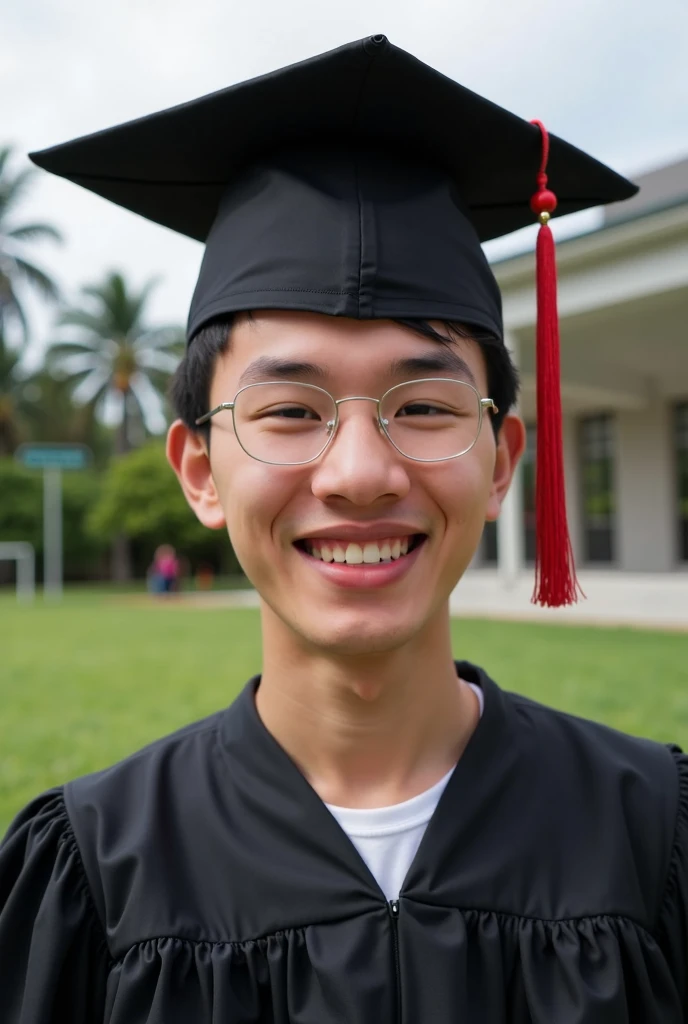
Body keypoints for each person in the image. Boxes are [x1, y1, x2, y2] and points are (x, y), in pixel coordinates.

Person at [1, 35, 685, 1024]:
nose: (360, 473)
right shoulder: (89, 879)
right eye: (289, 412)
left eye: (423, 406)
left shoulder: (654, 833)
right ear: (198, 468)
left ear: (500, 460)